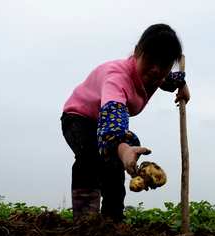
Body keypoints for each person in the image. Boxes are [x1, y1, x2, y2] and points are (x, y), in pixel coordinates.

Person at [61, 23, 190, 222]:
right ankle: (85, 224)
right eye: (151, 59)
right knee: (90, 158)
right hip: (79, 117)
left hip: (108, 124)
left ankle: (113, 224)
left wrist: (182, 86)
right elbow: (111, 127)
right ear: (138, 52)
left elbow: (169, 79)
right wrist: (123, 150)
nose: (156, 69)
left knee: (114, 170)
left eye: (163, 64)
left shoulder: (156, 76)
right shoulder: (118, 79)